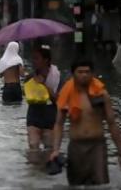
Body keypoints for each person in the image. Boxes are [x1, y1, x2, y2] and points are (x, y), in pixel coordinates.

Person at [50, 58, 121, 186]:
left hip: (97, 146)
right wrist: (55, 150)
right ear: (73, 74)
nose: (84, 75)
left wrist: (120, 150)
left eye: (87, 72)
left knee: (100, 185)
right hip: (76, 146)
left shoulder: (101, 94)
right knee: (75, 184)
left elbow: (112, 123)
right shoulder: (66, 94)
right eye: (80, 72)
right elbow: (59, 124)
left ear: (92, 73)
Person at [26, 45, 61, 154]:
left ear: (46, 60)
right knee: (33, 147)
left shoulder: (57, 77)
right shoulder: (30, 77)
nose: (34, 61)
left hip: (50, 118)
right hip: (33, 117)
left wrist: (44, 85)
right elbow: (28, 96)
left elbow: (59, 101)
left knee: (49, 150)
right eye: (33, 58)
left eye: (37, 58)